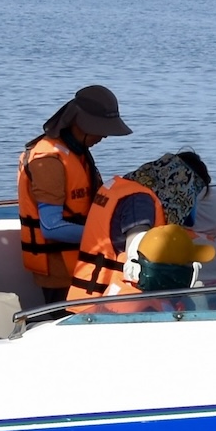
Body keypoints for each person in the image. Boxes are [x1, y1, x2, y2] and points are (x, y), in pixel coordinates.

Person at [16, 85, 131, 302]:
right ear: (81, 124)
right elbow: (51, 228)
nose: (105, 135)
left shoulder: (77, 154)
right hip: (61, 275)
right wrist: (111, 235)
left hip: (84, 265)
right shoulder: (48, 160)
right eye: (101, 128)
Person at [67, 151, 211, 300]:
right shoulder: (140, 202)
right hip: (105, 303)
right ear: (181, 187)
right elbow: (137, 255)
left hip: (90, 295)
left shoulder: (125, 187)